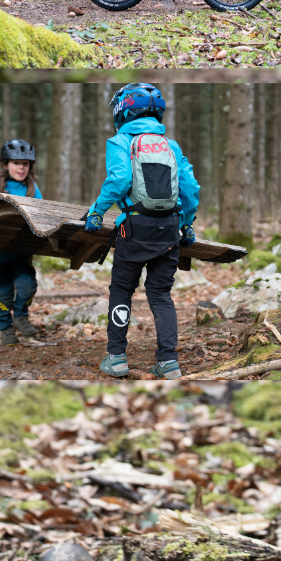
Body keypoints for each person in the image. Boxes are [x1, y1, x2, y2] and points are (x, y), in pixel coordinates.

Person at [84, 83, 199, 380]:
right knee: (161, 294)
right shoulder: (171, 145)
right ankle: (169, 362)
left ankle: (117, 357)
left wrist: (97, 211)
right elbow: (189, 188)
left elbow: (120, 179)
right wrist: (186, 222)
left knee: (122, 290)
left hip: (135, 228)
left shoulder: (120, 141)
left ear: (122, 110)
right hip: (170, 229)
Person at [0, 140, 43, 346]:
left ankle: (21, 316)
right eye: (16, 163)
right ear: (5, 165)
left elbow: (43, 214)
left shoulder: (32, 188)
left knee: (27, 284)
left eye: (25, 163)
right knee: (3, 291)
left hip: (21, 250)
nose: (21, 168)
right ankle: (5, 329)